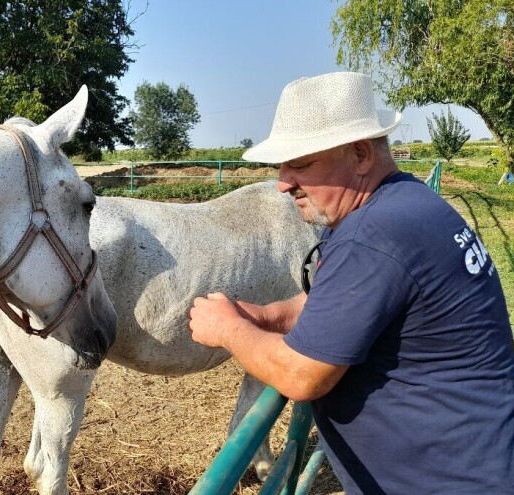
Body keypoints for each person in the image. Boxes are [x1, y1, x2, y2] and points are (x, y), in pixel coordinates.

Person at [189, 72, 514, 494]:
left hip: (449, 478)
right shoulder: (406, 204)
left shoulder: (374, 235)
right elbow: (333, 302)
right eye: (281, 166)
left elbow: (302, 377)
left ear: (361, 154)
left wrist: (229, 329)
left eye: (301, 164)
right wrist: (265, 315)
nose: (284, 183)